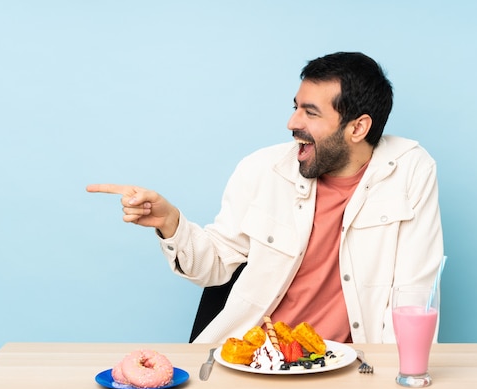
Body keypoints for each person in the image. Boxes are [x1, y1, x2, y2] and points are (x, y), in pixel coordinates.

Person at [87, 51, 443, 344]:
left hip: (347, 368)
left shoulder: (410, 170)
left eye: (310, 112)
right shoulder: (262, 169)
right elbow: (213, 266)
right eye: (296, 106)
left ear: (358, 128)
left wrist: (392, 381)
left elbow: (415, 293)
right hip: (255, 361)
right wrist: (170, 223)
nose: (292, 122)